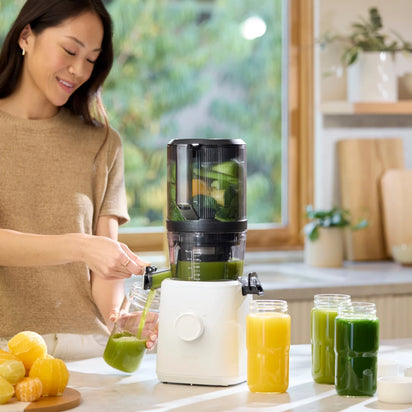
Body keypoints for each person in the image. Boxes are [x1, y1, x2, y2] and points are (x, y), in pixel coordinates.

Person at [0, 0, 155, 359]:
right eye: (70, 50)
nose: (79, 70)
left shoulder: (102, 142)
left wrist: (119, 320)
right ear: (26, 35)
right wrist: (80, 246)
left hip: (87, 348)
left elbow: (105, 263)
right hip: (6, 350)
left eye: (91, 59)